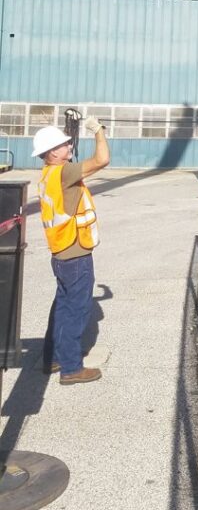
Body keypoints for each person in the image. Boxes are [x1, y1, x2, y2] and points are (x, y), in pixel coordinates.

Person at [32, 116, 110, 385]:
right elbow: (101, 160)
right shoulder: (64, 172)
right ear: (53, 152)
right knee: (76, 310)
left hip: (61, 252)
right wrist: (98, 131)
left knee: (63, 307)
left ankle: (53, 357)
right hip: (75, 252)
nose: (68, 146)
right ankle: (71, 368)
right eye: (64, 144)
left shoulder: (47, 174)